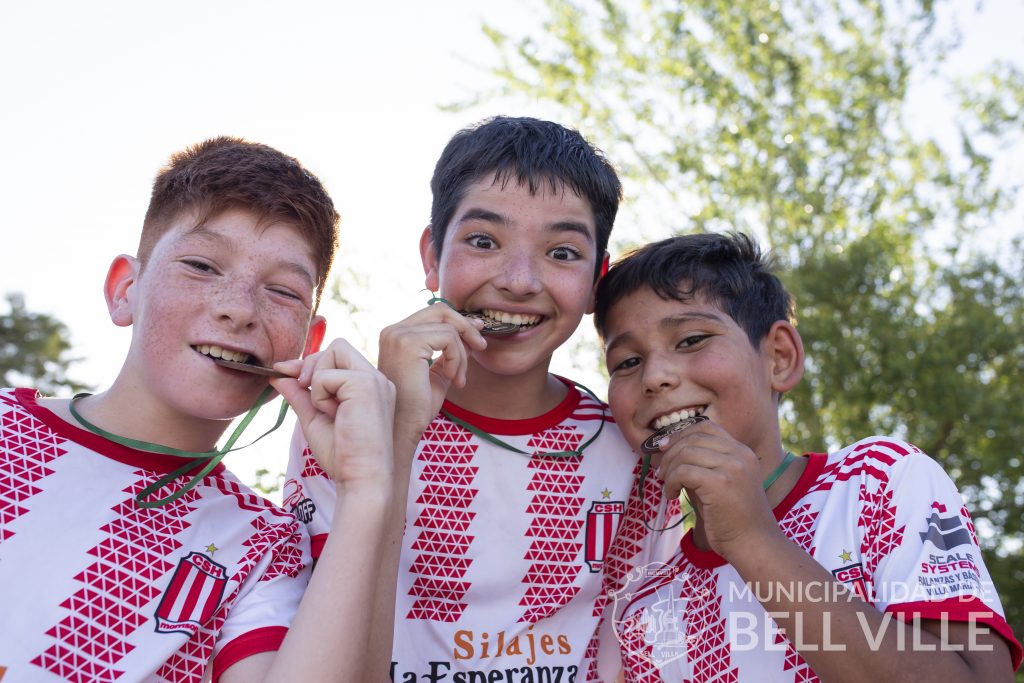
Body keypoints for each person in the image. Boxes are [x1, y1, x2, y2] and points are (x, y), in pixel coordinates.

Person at [285, 116, 673, 680]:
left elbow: (636, 651)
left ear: (596, 280)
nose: (518, 280)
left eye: (561, 252)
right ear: (431, 255)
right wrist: (398, 433)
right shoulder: (345, 417)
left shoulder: (629, 443)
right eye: (484, 241)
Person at [0, 137, 397, 682]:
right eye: (202, 265)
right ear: (125, 290)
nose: (238, 309)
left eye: (283, 292)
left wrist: (367, 488)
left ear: (309, 344)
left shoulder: (268, 547)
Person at [592, 232, 1022, 681]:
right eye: (626, 362)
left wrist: (751, 538)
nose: (655, 377)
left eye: (691, 339)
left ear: (779, 357)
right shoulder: (643, 609)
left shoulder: (878, 482)